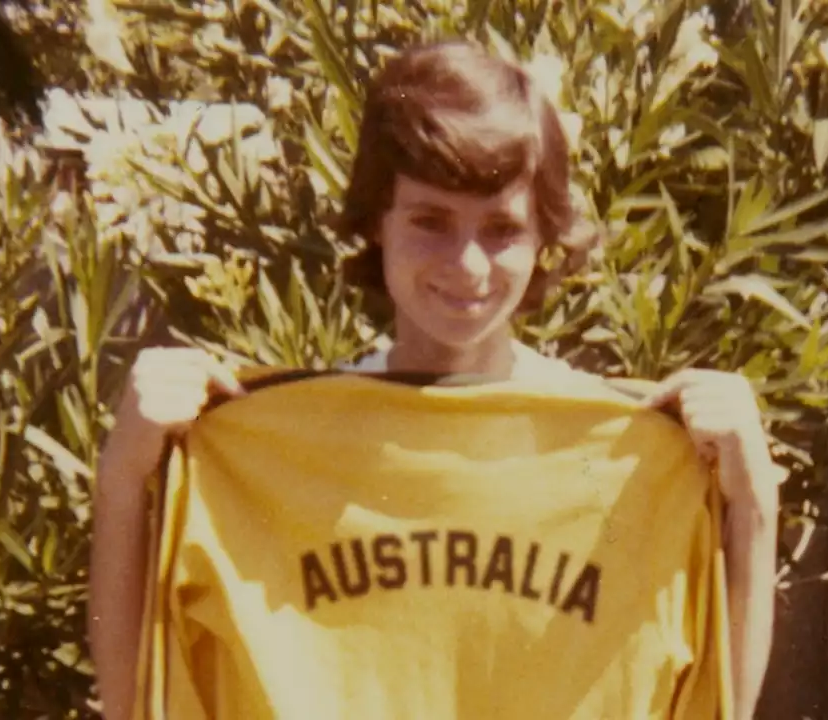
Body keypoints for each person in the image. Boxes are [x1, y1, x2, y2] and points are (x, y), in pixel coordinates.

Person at [88, 41, 779, 720]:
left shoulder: (623, 461)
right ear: (376, 223)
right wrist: (123, 480)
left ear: (545, 240)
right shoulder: (268, 446)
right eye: (430, 221)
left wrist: (752, 503)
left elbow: (721, 710)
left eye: (502, 228)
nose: (468, 265)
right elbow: (139, 704)